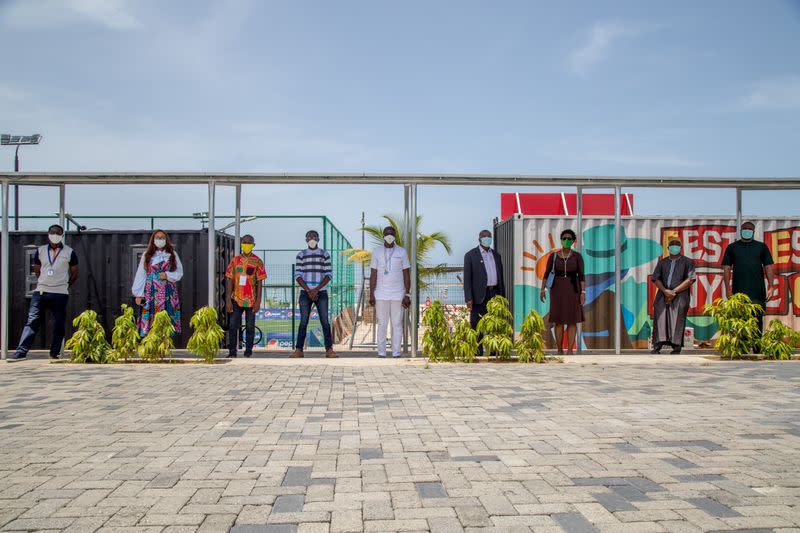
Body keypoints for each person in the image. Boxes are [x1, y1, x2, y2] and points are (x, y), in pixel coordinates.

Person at [12, 225, 79, 360]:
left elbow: (75, 272)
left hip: (60, 293)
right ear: (48, 234)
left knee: (59, 323)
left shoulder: (69, 252)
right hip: (41, 292)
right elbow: (37, 269)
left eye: (58, 233)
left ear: (62, 235)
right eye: (52, 232)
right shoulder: (41, 250)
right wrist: (44, 281)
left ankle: (54, 353)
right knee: (32, 320)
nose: (55, 235)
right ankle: (21, 352)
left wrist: (65, 284)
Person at [721, 221, 775, 332]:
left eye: (749, 229)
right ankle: (743, 349)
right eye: (744, 228)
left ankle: (757, 348)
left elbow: (768, 267)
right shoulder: (732, 247)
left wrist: (771, 286)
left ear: (753, 232)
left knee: (757, 321)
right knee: (740, 322)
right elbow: (726, 268)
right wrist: (727, 289)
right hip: (738, 293)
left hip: (758, 292)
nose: (746, 231)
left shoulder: (761, 247)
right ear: (740, 231)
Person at [540, 229, 585, 355]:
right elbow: (546, 273)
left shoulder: (577, 257)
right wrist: (542, 289)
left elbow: (581, 275)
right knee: (558, 321)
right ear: (561, 240)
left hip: (573, 290)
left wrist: (583, 292)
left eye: (569, 238)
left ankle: (570, 350)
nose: (566, 240)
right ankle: (559, 349)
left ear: (573, 241)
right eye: (564, 238)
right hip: (557, 290)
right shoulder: (554, 256)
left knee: (572, 320)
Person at [293, 230, 336, 358]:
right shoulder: (301, 255)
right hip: (305, 292)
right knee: (303, 322)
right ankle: (299, 350)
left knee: (324, 321)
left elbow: (328, 275)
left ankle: (329, 350)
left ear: (318, 239)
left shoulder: (324, 254)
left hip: (321, 292)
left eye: (314, 237)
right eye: (309, 237)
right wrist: (308, 290)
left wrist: (316, 289)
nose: (312, 239)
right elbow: (298, 275)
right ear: (306, 239)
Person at [369, 226, 411, 358]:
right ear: (383, 235)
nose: (389, 235)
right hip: (380, 293)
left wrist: (407, 294)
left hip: (398, 293)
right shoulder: (376, 252)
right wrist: (371, 293)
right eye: (387, 233)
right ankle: (381, 353)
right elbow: (373, 274)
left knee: (397, 323)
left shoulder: (402, 252)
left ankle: (396, 352)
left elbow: (406, 274)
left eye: (392, 233)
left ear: (395, 236)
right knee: (382, 323)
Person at [132, 230, 183, 336]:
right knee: (152, 318)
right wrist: (138, 294)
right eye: (158, 237)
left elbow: (179, 272)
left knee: (167, 318)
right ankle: (154, 349)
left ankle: (165, 347)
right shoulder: (147, 255)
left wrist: (167, 275)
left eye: (162, 238)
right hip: (151, 291)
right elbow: (141, 274)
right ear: (153, 240)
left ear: (166, 240)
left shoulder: (172, 254)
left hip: (168, 292)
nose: (160, 240)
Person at [650, 237, 696, 354]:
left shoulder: (688, 262)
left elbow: (690, 279)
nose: (674, 246)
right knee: (660, 319)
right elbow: (655, 278)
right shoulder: (662, 262)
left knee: (677, 320)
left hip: (680, 295)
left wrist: (674, 291)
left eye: (677, 244)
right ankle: (657, 346)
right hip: (662, 295)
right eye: (672, 244)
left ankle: (676, 347)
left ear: (680, 248)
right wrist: (665, 291)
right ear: (668, 248)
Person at [464, 229, 506, 355]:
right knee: (477, 325)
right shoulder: (471, 255)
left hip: (494, 294)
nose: (487, 238)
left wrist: (502, 297)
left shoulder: (496, 255)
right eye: (484, 236)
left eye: (489, 236)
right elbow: (467, 279)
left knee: (493, 324)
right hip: (478, 296)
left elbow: (501, 277)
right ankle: (478, 352)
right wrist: (468, 298)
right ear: (479, 239)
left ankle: (493, 352)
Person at [225, 234, 267, 358]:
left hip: (251, 300)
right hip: (236, 298)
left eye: (249, 243)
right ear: (241, 244)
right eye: (244, 242)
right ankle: (232, 351)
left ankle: (248, 351)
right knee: (233, 325)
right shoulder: (235, 260)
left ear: (253, 245)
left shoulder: (258, 261)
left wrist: (258, 301)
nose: (246, 245)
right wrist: (228, 300)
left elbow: (260, 282)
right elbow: (230, 280)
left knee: (250, 326)